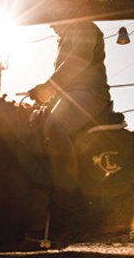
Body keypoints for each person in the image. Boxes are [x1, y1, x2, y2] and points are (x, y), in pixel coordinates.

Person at [27, 21, 114, 224]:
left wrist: (48, 87)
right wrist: (46, 97)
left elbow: (79, 60)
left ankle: (69, 205)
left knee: (54, 127)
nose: (49, 25)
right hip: (66, 98)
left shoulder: (84, 27)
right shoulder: (63, 38)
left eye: (52, 18)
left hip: (90, 95)